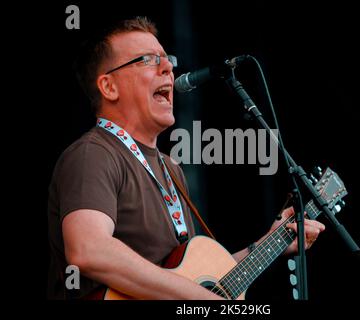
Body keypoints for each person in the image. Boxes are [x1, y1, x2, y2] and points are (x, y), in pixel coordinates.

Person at [47, 16, 325, 300]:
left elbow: (195, 282)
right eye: (147, 59)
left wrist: (270, 243)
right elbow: (89, 250)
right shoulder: (94, 153)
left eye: (167, 59)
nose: (168, 67)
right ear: (109, 87)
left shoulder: (171, 169)